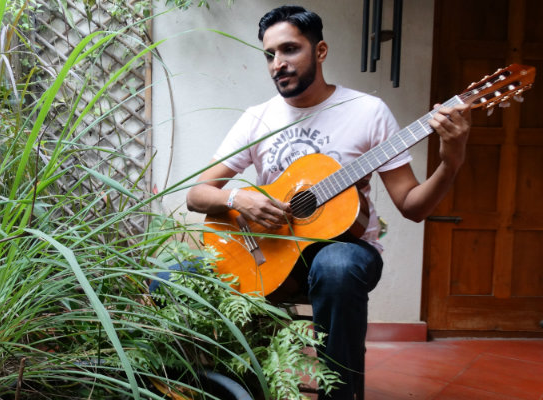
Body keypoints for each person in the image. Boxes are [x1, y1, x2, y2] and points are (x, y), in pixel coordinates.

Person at [185, 5, 471, 400]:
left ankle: (339, 395)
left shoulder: (367, 113)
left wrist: (450, 161)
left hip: (346, 251)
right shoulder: (258, 118)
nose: (277, 64)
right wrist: (239, 198)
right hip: (271, 252)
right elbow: (197, 194)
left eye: (289, 50)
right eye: (270, 54)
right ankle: (226, 388)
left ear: (320, 51)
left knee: (336, 266)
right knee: (172, 276)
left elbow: (412, 206)